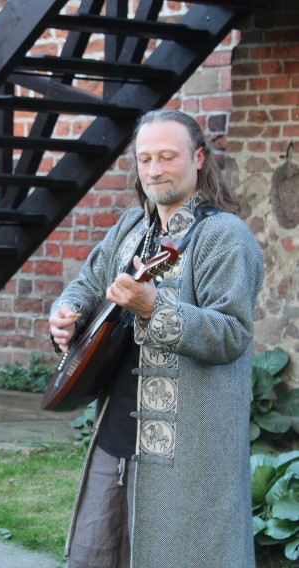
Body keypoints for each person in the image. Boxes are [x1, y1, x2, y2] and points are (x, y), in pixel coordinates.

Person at [48, 109, 263, 568]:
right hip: (116, 435)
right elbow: (86, 284)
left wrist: (154, 308)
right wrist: (65, 314)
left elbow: (232, 333)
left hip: (187, 448)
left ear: (199, 157)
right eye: (144, 159)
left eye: (167, 156)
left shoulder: (226, 237)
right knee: (93, 556)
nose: (154, 170)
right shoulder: (131, 228)